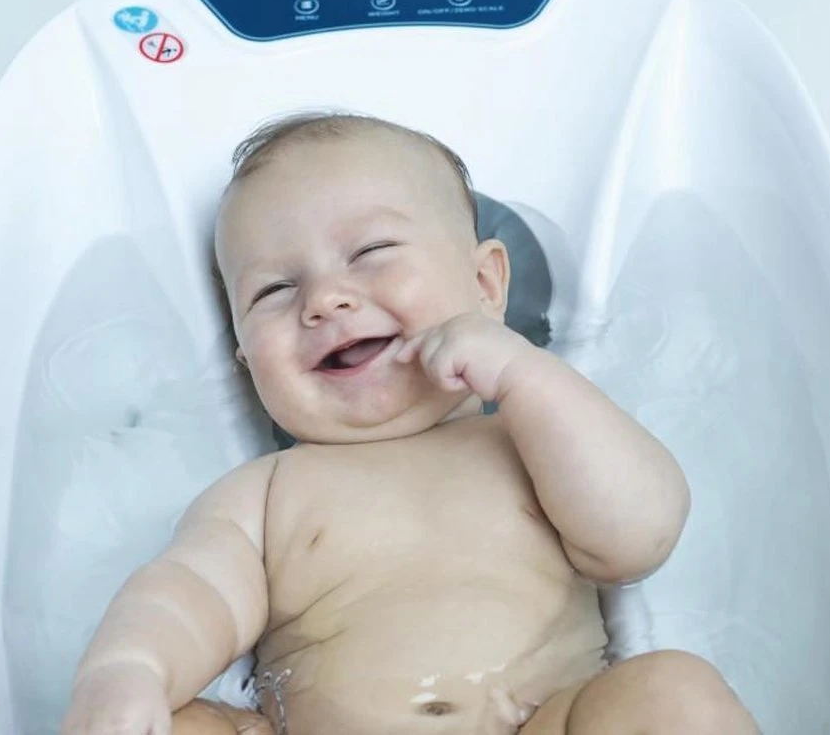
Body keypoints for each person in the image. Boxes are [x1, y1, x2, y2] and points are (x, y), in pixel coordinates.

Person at [61, 112, 759, 735]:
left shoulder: (529, 441)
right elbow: (194, 591)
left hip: (542, 720)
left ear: (485, 286)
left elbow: (640, 534)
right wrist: (130, 667)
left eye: (371, 253)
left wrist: (526, 375)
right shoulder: (264, 494)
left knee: (673, 693)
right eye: (275, 289)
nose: (325, 299)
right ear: (246, 361)